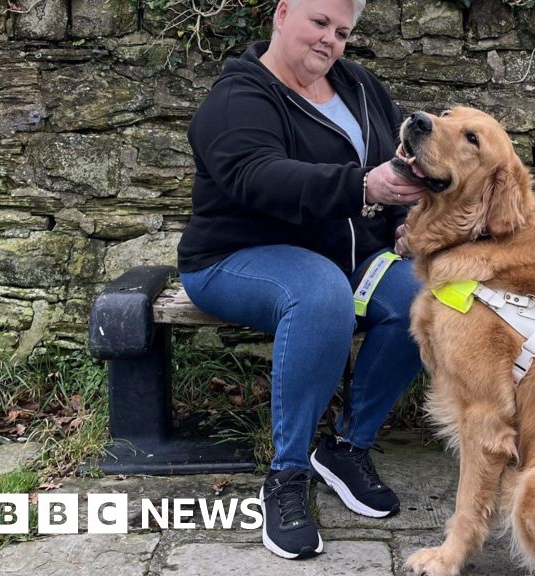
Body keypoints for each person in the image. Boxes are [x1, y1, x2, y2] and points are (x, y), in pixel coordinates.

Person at [176, 0, 429, 560]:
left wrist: (406, 223)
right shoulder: (238, 97)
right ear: (283, 14)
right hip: (234, 257)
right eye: (319, 23)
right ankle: (287, 475)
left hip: (346, 258)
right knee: (318, 293)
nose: (329, 40)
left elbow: (397, 164)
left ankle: (347, 447)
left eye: (341, 32)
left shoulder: (361, 86)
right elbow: (255, 176)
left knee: (427, 297)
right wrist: (363, 187)